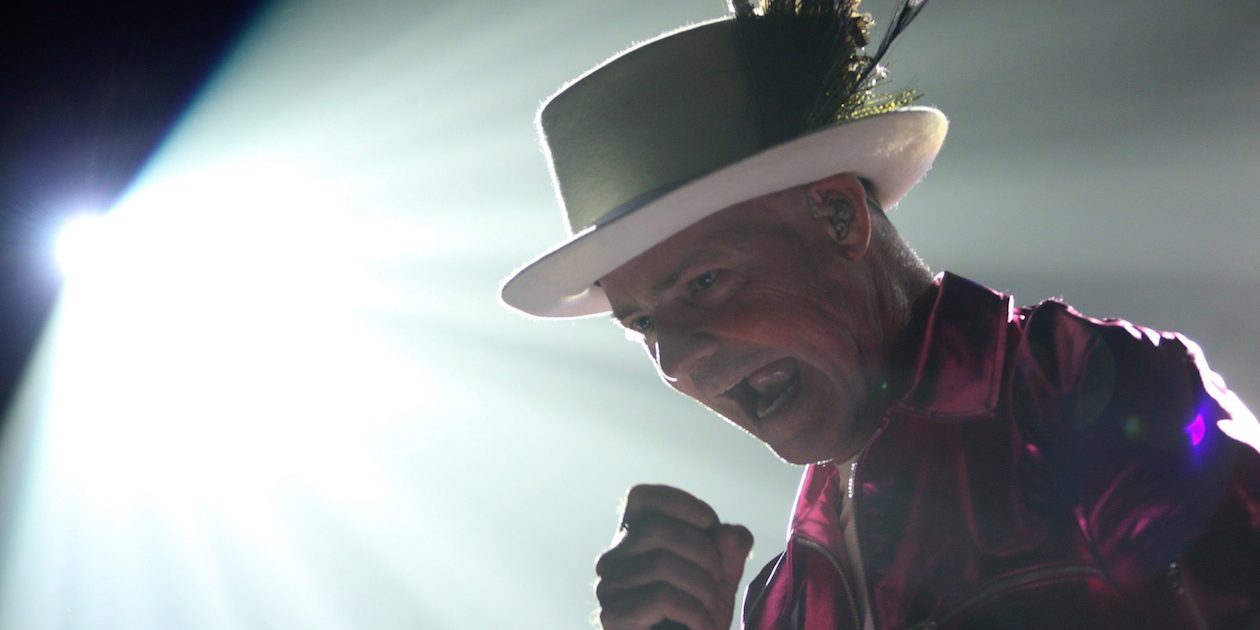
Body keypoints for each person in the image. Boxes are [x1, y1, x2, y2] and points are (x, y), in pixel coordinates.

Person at [500, 1, 1260, 628]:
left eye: (703, 283)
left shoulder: (1079, 387)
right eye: (643, 326)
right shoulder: (781, 601)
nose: (678, 359)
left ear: (837, 215)